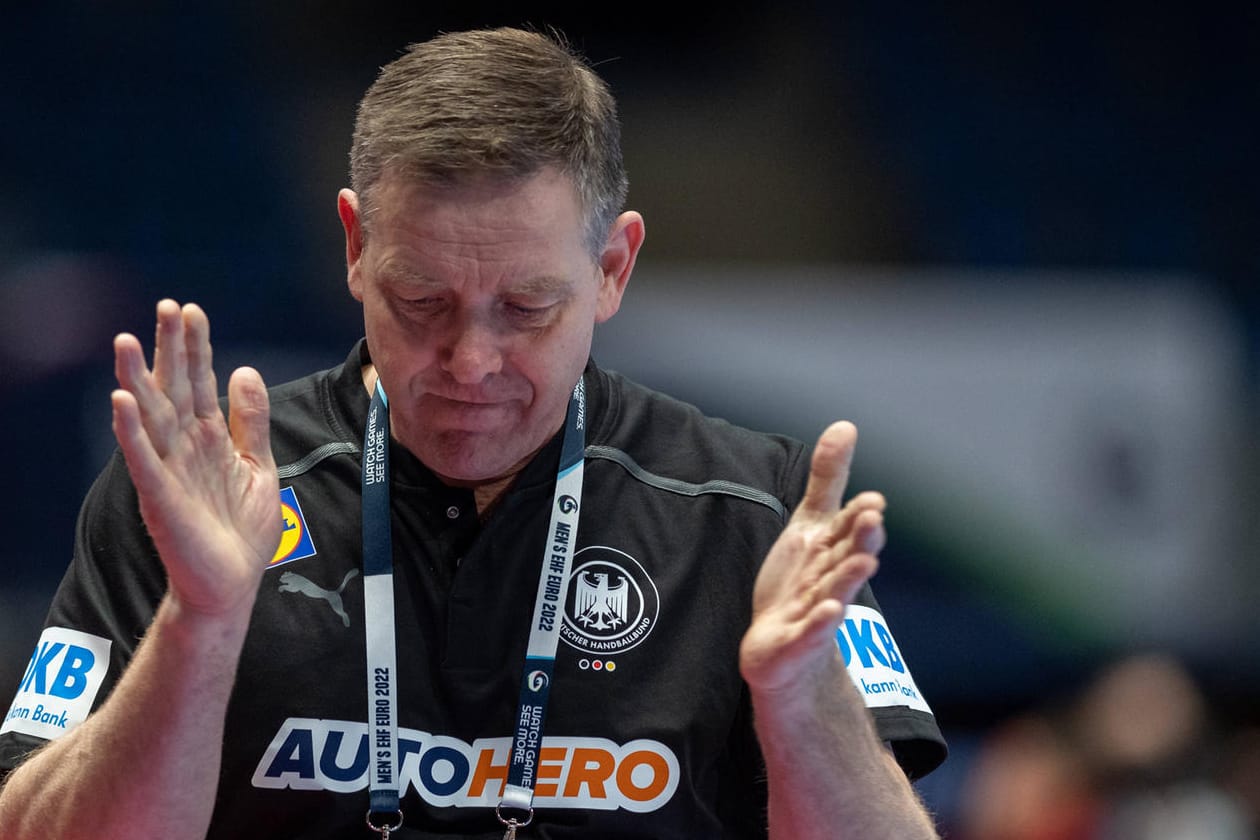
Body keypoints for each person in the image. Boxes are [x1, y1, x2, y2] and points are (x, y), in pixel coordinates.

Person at [0, 26, 946, 838]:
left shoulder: (753, 514)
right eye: (423, 301)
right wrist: (199, 626)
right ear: (355, 248)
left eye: (527, 306)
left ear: (614, 266)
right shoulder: (195, 495)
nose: (469, 360)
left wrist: (795, 698)